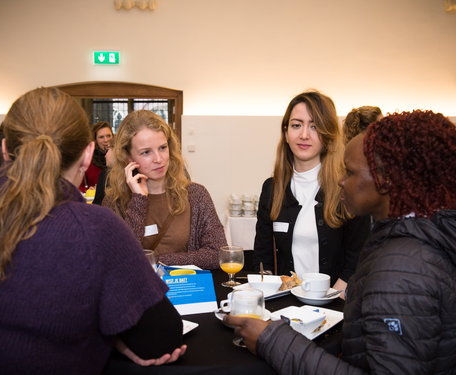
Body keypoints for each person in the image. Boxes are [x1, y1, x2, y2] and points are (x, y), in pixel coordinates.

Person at [226, 110, 456, 374]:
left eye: (350, 171)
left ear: (385, 179)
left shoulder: (401, 271)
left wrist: (272, 340)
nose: (341, 180)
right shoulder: (413, 240)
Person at [0, 88, 186, 374]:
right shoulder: (95, 229)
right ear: (88, 153)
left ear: (4, 151)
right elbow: (161, 339)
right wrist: (108, 334)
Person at [252, 90, 370, 293]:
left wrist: (332, 300)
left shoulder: (348, 186)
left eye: (315, 127)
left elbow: (359, 255)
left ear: (328, 134)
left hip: (336, 304)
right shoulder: (272, 188)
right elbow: (262, 256)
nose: (304, 135)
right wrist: (270, 291)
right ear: (286, 132)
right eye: (297, 125)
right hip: (285, 304)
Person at [103, 110, 226, 269]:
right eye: (146, 152)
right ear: (128, 157)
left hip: (187, 290)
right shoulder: (115, 203)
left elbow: (217, 254)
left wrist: (156, 260)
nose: (159, 159)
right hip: (140, 292)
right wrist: (139, 200)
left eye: (162, 148)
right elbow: (120, 260)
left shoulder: (195, 194)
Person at [79, 121, 113, 192]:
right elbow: (79, 185)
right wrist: (88, 190)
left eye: (108, 136)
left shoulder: (121, 156)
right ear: (95, 140)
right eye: (101, 137)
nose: (106, 140)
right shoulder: (88, 159)